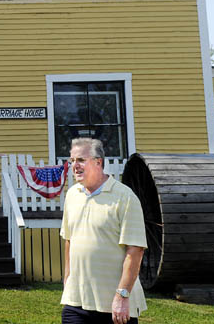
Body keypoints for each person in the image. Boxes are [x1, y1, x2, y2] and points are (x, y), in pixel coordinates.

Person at [60, 138, 147, 324]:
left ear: (98, 162)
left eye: (81, 160)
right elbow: (69, 240)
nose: (74, 166)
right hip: (76, 302)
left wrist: (122, 296)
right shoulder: (72, 195)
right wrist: (67, 282)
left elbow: (135, 250)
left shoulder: (125, 198)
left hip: (114, 306)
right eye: (71, 160)